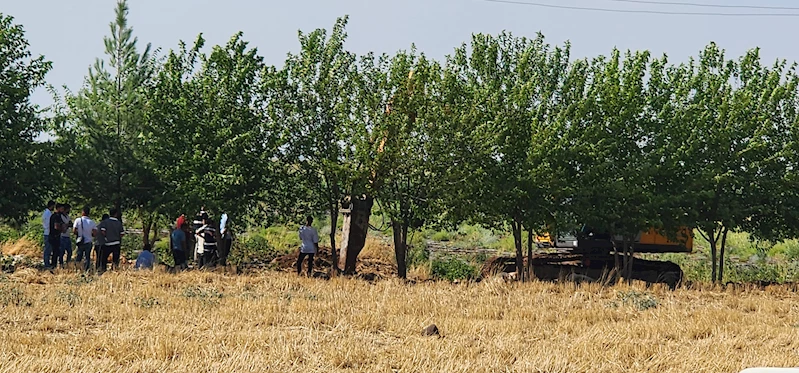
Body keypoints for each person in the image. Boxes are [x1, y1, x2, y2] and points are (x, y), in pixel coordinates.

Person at [98, 208, 124, 272]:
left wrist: (106, 237)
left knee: (104, 258)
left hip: (107, 243)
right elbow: (122, 234)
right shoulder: (118, 223)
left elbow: (103, 231)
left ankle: (103, 270)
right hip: (116, 243)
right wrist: (117, 236)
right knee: (115, 259)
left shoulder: (105, 222)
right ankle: (114, 270)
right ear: (116, 214)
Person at [73, 206, 97, 272]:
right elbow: (95, 233)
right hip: (88, 241)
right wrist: (90, 234)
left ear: (83, 212)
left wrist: (79, 234)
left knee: (79, 256)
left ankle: (77, 269)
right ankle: (86, 270)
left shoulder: (78, 220)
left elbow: (74, 231)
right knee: (87, 257)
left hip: (80, 241)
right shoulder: (92, 222)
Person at [48, 204, 65, 269]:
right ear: (58, 208)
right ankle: (53, 266)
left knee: (57, 251)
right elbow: (56, 226)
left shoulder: (59, 216)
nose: (63, 210)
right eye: (62, 209)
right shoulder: (55, 216)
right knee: (55, 252)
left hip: (56, 236)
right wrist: (62, 229)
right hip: (54, 236)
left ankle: (54, 265)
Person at [42, 200, 55, 268]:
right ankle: (46, 264)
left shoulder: (47, 213)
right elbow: (48, 224)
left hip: (48, 232)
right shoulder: (48, 214)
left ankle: (47, 263)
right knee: (47, 248)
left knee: (49, 249)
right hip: (48, 233)